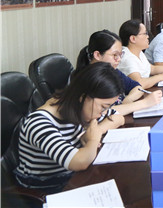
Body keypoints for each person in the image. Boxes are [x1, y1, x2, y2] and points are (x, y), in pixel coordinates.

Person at [14, 62, 125, 191]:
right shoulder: (39, 123)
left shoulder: (78, 108)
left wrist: (96, 130)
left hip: (72, 178)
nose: (103, 113)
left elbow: (118, 117)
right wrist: (93, 140)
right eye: (103, 107)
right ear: (83, 97)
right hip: (44, 188)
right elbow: (79, 162)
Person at [77, 30, 162, 116]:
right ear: (97, 55)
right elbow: (100, 113)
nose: (119, 59)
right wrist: (145, 103)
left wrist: (128, 100)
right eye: (115, 55)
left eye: (120, 54)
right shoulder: (89, 79)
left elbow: (137, 87)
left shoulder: (112, 71)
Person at [118, 19, 163, 89]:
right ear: (133, 39)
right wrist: (161, 77)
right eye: (145, 33)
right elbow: (139, 83)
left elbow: (152, 69)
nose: (148, 36)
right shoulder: (127, 58)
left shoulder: (138, 52)